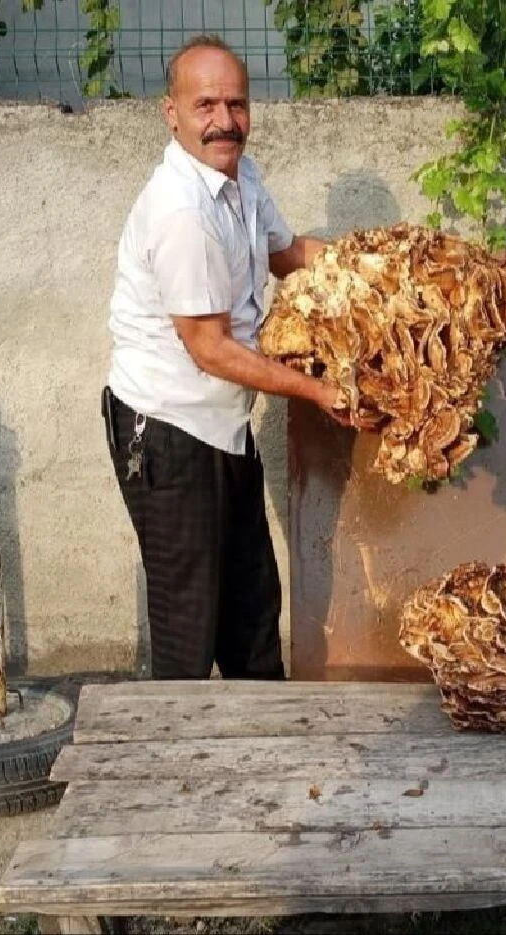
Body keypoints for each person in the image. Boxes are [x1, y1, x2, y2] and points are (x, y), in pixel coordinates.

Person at [100, 34, 346, 681]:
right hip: (170, 431)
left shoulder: (239, 175)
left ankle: (263, 763)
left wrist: (372, 266)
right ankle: (175, 771)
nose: (224, 121)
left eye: (235, 104)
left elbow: (286, 253)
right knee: (190, 628)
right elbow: (209, 349)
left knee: (251, 610)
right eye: (205, 104)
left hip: (223, 426)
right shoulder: (181, 212)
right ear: (172, 112)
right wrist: (319, 391)